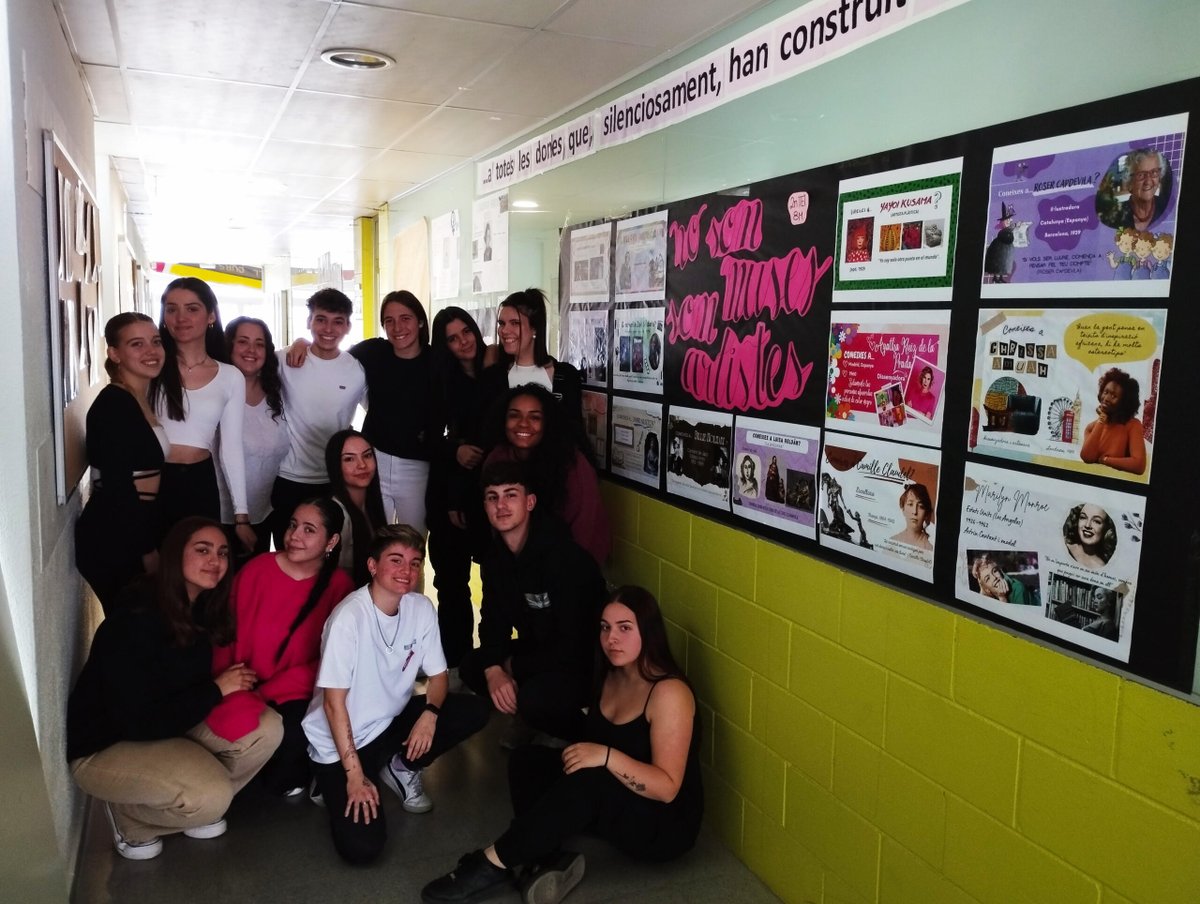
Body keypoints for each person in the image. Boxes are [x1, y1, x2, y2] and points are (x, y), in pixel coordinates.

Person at [421, 586, 703, 904]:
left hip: (662, 826)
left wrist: (606, 756)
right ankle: (543, 856)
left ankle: (492, 864)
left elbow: (667, 788)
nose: (612, 638)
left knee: (590, 779)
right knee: (527, 760)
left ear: (649, 632)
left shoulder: (668, 693)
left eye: (625, 628)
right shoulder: (612, 674)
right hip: (617, 799)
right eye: (605, 627)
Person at [66, 518, 283, 861]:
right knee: (213, 795)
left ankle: (187, 803)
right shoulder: (136, 615)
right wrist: (216, 689)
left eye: (223, 552)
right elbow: (136, 720)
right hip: (107, 745)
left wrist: (220, 687)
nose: (216, 560)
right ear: (173, 555)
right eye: (202, 550)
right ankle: (132, 819)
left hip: (163, 725)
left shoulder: (200, 608)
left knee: (267, 728)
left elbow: (176, 697)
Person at [301, 525, 490, 865]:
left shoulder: (420, 608)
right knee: (363, 849)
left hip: (389, 723)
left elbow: (439, 676)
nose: (407, 572)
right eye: (396, 560)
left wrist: (430, 714)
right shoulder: (349, 618)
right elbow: (333, 704)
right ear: (373, 566)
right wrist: (355, 777)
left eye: (415, 563)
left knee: (473, 710)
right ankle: (329, 783)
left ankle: (400, 766)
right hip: (342, 742)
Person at [207, 499, 354, 797]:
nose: (295, 535)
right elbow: (224, 632)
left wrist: (271, 691)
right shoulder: (256, 569)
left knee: (294, 738)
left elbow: (334, 660)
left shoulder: (339, 586)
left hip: (296, 692)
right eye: (292, 525)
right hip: (240, 684)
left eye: (309, 529)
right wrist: (224, 681)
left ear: (332, 540)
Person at [459, 460, 607, 744]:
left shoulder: (562, 557)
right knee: (473, 666)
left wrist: (512, 667)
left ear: (530, 502)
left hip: (584, 662)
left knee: (534, 697)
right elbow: (492, 622)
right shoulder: (494, 558)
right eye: (493, 497)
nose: (501, 505)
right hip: (538, 651)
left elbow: (574, 644)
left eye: (510, 495)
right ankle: (531, 717)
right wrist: (493, 670)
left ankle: (589, 738)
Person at [151, 277, 254, 551]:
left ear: (211, 316)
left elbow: (231, 448)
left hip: (199, 482)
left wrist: (241, 515)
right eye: (171, 309)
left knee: (197, 568)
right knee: (155, 570)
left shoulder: (230, 376)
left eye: (192, 309)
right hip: (152, 480)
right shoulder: (152, 366)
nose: (181, 317)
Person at [76, 313, 169, 614]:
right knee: (130, 628)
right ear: (114, 353)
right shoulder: (113, 405)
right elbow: (119, 487)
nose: (151, 351)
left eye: (155, 342)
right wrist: (147, 550)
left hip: (129, 529)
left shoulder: (137, 398)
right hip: (114, 536)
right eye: (136, 344)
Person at [271, 288, 366, 547]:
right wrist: (299, 342)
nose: (328, 329)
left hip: (334, 480)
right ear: (309, 322)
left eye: (338, 321)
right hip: (288, 476)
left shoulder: (356, 371)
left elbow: (379, 413)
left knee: (329, 555)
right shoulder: (284, 361)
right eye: (321, 319)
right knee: (288, 551)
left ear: (348, 326)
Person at [427, 306, 490, 680]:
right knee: (451, 585)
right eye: (452, 337)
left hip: (488, 492)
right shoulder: (440, 380)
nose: (463, 341)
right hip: (447, 491)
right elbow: (430, 440)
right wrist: (455, 451)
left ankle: (489, 663)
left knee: (497, 582)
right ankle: (454, 665)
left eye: (466, 331)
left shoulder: (497, 372)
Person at [484, 385, 611, 566]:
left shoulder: (571, 463)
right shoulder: (496, 459)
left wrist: (566, 573)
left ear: (548, 423)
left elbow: (585, 528)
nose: (523, 423)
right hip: (513, 564)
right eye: (514, 415)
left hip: (571, 563)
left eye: (535, 417)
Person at [216, 317, 290, 560]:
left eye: (259, 344)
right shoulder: (216, 390)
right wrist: (240, 519)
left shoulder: (277, 393)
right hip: (222, 517)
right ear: (230, 346)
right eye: (243, 342)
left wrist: (301, 341)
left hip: (264, 513)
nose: (251, 350)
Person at [479, 288, 583, 437]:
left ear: (534, 328)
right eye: (502, 323)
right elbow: (486, 433)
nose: (504, 330)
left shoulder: (567, 375)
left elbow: (575, 434)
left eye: (514, 323)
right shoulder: (491, 377)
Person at [326, 429, 388, 586]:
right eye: (349, 459)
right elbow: (338, 582)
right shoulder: (337, 515)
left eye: (367, 455)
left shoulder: (372, 505)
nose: (362, 465)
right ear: (335, 466)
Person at [1079, 367, 1146, 475]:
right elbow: (1087, 457)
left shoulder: (1133, 425)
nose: (1106, 398)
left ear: (1124, 402)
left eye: (1114, 396)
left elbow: (1139, 466)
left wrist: (1105, 460)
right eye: (1105, 392)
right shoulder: (1092, 427)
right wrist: (1101, 420)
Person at [1114, 149, 1170, 231]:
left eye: (1154, 172)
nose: (1148, 181)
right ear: (1129, 182)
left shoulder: (1166, 208)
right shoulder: (1116, 216)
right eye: (1141, 175)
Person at [970, 552, 1038, 606]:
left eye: (995, 571)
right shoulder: (987, 593)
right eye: (988, 578)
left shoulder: (1018, 588)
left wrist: (1002, 597)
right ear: (987, 590)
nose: (994, 578)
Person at [1062, 503, 1117, 569]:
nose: (1087, 525)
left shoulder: (1102, 567)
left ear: (1106, 528)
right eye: (1083, 517)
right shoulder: (1064, 547)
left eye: (1096, 521)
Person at [890, 483, 934, 551]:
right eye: (910, 504)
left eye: (921, 506)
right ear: (903, 509)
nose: (914, 512)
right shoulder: (893, 541)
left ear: (926, 513)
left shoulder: (929, 549)